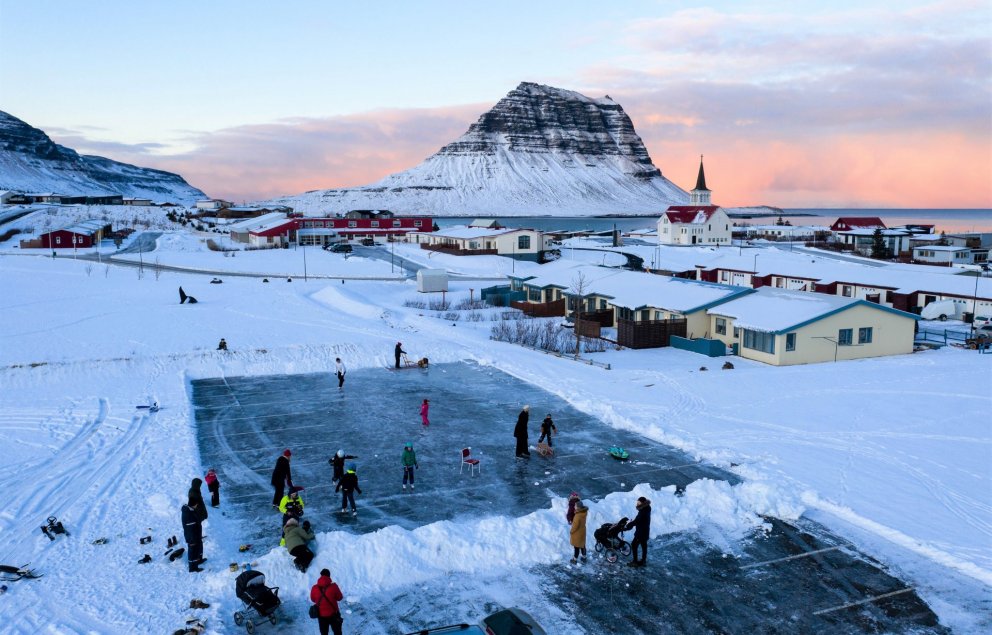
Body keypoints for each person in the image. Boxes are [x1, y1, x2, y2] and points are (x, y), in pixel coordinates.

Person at [310, 568, 345, 635]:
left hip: (321, 616)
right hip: (334, 615)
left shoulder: (314, 588)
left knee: (324, 633)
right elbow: (340, 598)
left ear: (321, 576)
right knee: (338, 633)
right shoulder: (334, 586)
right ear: (329, 576)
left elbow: (313, 599)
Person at [624, 496, 652, 567]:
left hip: (641, 532)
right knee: (644, 545)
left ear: (642, 503)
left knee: (634, 544)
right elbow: (638, 519)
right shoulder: (647, 509)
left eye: (638, 502)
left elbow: (637, 521)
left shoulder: (643, 511)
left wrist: (629, 524)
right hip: (645, 531)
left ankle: (635, 562)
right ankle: (643, 560)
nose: (637, 503)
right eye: (637, 502)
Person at [181, 498, 204, 573]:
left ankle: (198, 561)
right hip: (192, 537)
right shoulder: (188, 513)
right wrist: (192, 540)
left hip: (196, 535)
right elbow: (190, 529)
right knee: (193, 551)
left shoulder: (190, 510)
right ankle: (193, 568)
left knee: (197, 549)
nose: (197, 505)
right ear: (194, 504)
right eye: (196, 504)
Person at [569, 499, 588, 564]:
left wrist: (571, 531)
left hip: (577, 533)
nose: (574, 507)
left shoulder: (577, 516)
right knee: (583, 545)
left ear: (578, 507)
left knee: (576, 547)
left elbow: (575, 527)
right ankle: (584, 557)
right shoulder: (584, 512)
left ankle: (574, 559)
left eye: (575, 506)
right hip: (583, 531)